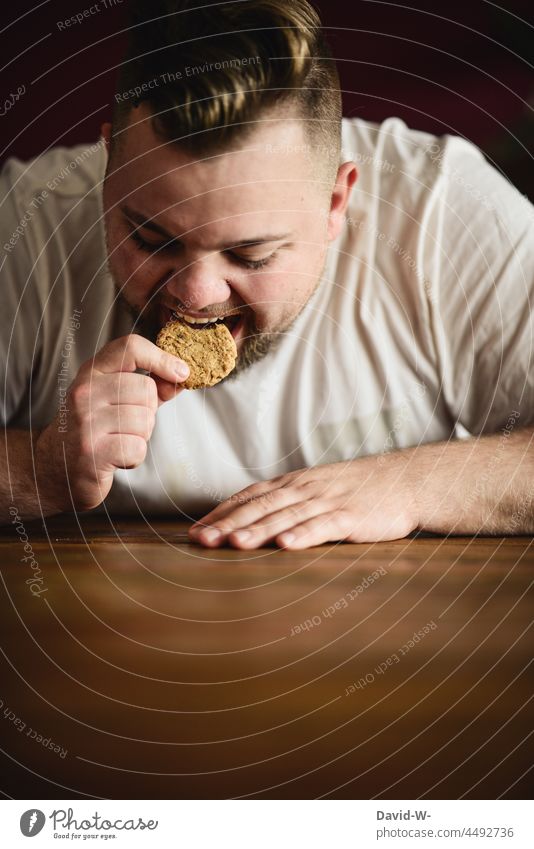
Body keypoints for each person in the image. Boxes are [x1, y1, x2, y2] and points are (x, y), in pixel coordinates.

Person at [1, 0, 533, 549]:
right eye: (151, 239)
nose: (195, 295)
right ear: (110, 165)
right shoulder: (23, 222)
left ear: (335, 201)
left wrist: (407, 485)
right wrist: (39, 471)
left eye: (251, 254)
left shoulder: (446, 211)